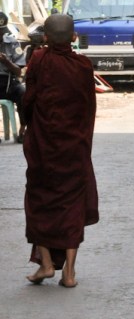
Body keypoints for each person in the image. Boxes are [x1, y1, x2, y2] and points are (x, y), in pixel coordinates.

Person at [24, 14, 98, 287]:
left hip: (43, 148)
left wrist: (26, 126)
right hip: (74, 147)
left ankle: (45, 264)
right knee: (72, 206)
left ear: (44, 38)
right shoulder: (82, 65)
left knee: (40, 202)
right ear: (74, 38)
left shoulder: (39, 61)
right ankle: (69, 273)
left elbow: (29, 99)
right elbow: (88, 107)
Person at [0, 11, 27, 143]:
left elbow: (18, 72)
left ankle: (22, 129)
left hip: (9, 81)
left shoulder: (12, 43)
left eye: (1, 31)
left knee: (24, 93)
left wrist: (6, 62)